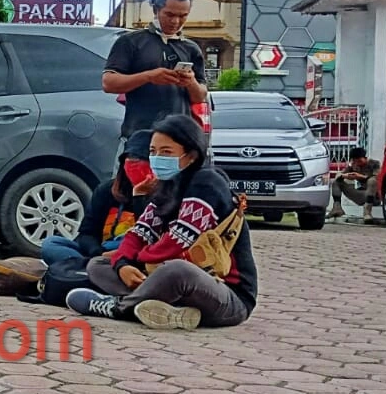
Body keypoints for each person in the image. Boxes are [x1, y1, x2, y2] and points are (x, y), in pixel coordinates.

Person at [65, 115, 258, 330]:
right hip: (178, 289)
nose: (157, 158)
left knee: (176, 270)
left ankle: (117, 307)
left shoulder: (206, 183)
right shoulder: (165, 187)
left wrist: (136, 261)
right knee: (98, 265)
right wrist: (122, 266)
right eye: (153, 152)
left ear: (191, 156)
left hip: (228, 296)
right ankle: (168, 311)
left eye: (166, 152)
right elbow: (137, 235)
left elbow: (177, 243)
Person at [103, 0, 209, 148]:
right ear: (156, 10)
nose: (175, 21)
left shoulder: (191, 48)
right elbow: (109, 83)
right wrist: (149, 76)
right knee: (136, 174)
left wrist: (191, 83)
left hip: (179, 139)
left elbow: (199, 96)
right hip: (140, 136)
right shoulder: (131, 42)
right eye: (169, 14)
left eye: (183, 16)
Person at [40, 130, 156, 265]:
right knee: (51, 244)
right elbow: (86, 233)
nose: (135, 165)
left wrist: (140, 195)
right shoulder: (107, 190)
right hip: (101, 250)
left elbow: (150, 236)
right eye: (131, 159)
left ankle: (80, 268)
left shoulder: (165, 194)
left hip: (133, 250)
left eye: (142, 160)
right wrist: (98, 253)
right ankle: (91, 266)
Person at [329, 147, 381, 223]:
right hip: (361, 194)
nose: (357, 163)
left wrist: (360, 176)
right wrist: (345, 175)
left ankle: (367, 211)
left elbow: (377, 177)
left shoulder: (375, 164)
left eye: (359, 161)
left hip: (374, 196)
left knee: (372, 180)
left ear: (365, 158)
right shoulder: (353, 165)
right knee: (336, 182)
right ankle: (337, 208)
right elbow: (338, 175)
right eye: (355, 161)